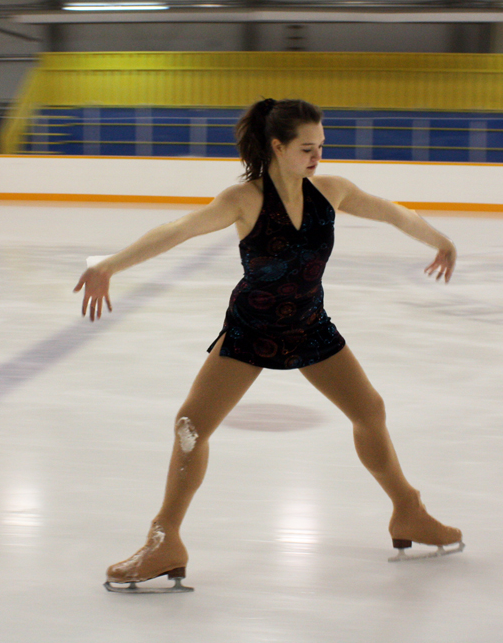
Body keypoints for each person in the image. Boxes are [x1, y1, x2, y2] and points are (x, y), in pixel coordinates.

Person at [74, 98, 464, 592]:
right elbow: (177, 230)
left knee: (370, 411)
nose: (317, 156)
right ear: (277, 146)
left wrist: (441, 240)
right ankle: (164, 539)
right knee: (191, 426)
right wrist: (110, 264)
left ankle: (408, 511)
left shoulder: (332, 191)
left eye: (321, 146)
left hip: (309, 325)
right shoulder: (245, 199)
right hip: (251, 331)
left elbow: (392, 213)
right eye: (307, 148)